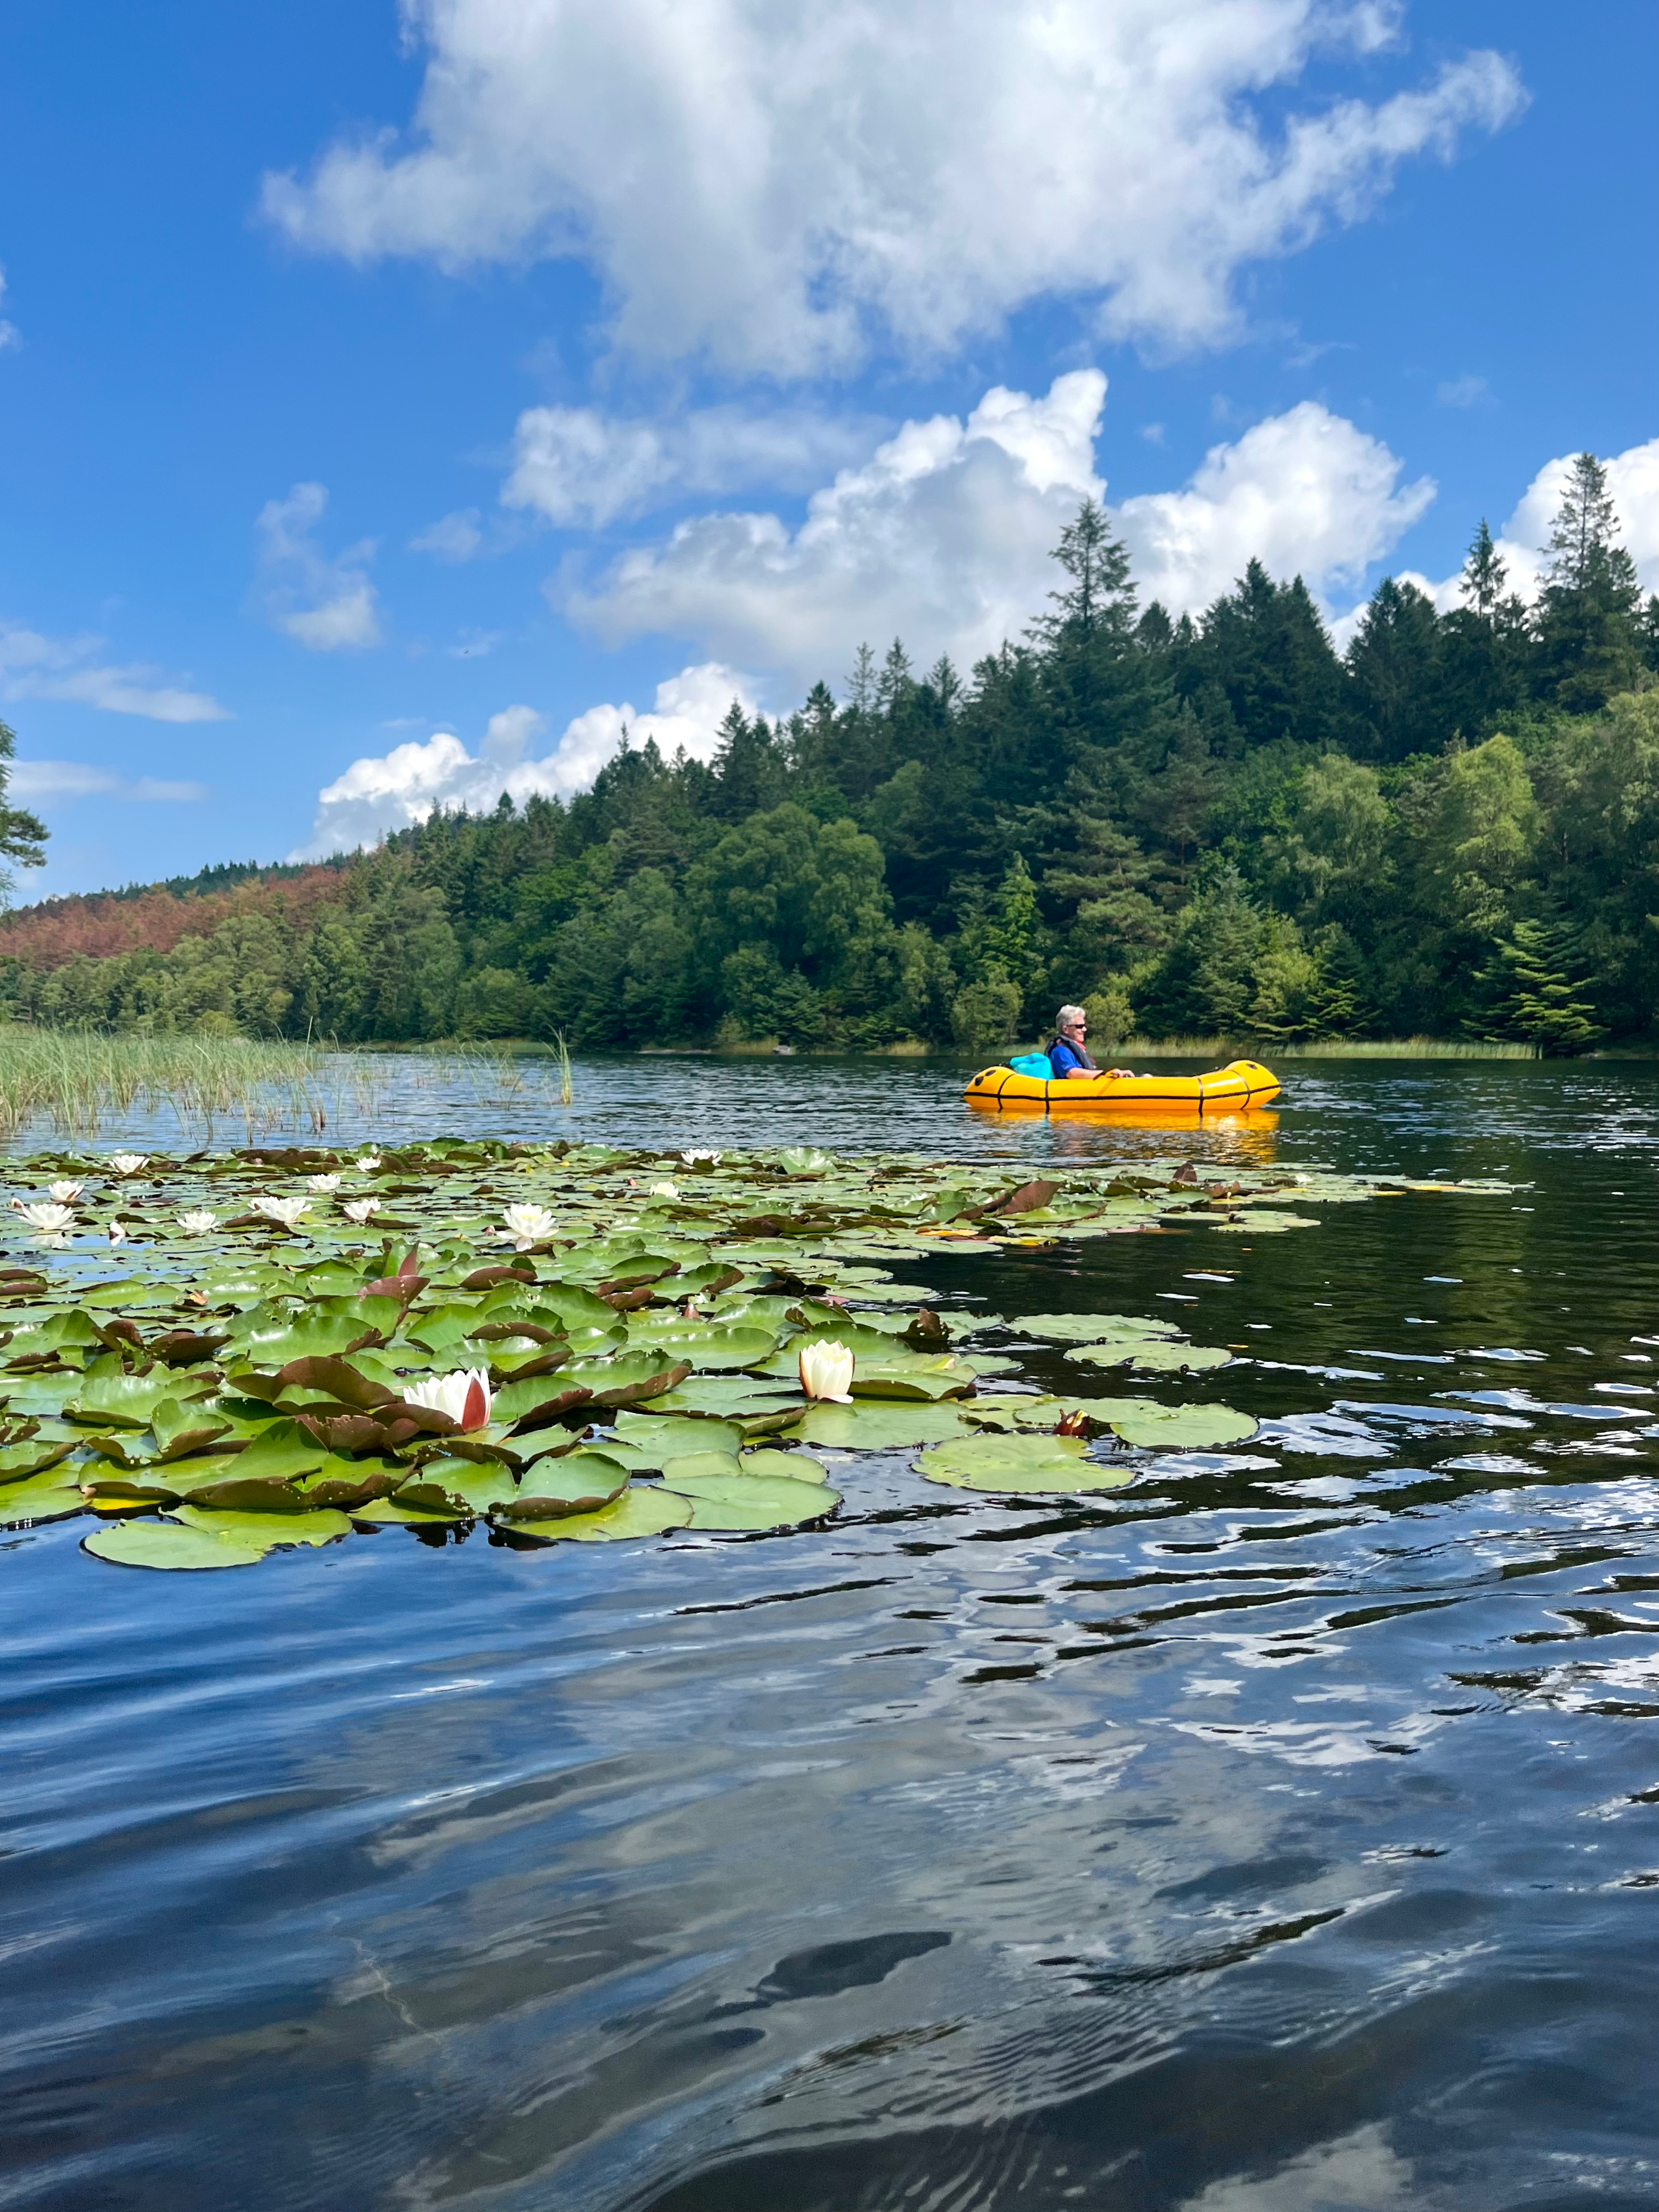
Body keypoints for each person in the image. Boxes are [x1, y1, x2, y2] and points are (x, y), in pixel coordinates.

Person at [1048, 1005, 1098, 1079]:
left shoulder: (1075, 1050)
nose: (1085, 1029)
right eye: (1079, 1027)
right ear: (1066, 1029)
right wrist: (1104, 1074)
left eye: (1084, 1026)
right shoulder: (1060, 1051)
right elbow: (1072, 1073)